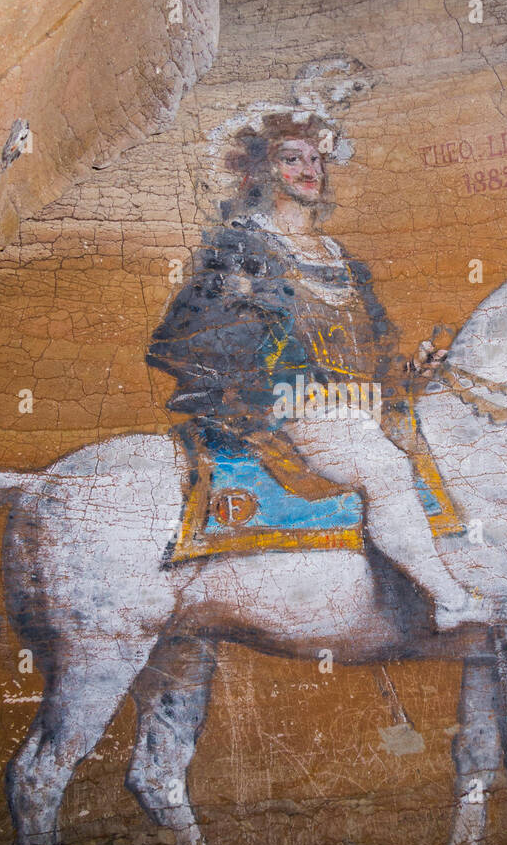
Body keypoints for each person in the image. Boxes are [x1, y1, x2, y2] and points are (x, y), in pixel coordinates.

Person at [147, 110, 486, 630]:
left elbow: (371, 347)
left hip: (354, 405)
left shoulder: (341, 259)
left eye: (315, 159)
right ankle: (452, 600)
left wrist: (409, 368)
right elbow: (205, 334)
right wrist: (294, 385)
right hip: (282, 408)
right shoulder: (243, 247)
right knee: (384, 468)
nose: (309, 170)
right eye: (292, 159)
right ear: (262, 171)